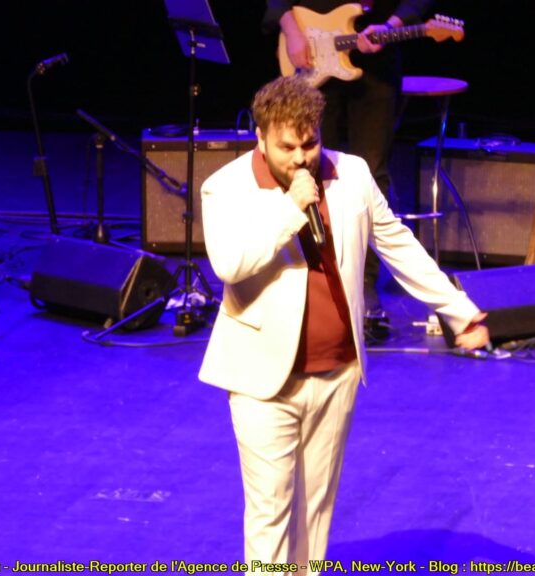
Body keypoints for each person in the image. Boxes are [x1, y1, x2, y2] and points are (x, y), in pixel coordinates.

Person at [199, 76, 488, 573]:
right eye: (287, 147)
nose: (301, 158)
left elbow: (397, 245)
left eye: (310, 143)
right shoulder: (225, 187)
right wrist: (290, 209)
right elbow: (230, 263)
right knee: (270, 511)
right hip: (262, 379)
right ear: (261, 138)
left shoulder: (351, 174)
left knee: (315, 512)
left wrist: (457, 308)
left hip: (336, 371)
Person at [265, 0, 435, 342]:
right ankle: (310, 274)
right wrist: (292, 31)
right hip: (309, 52)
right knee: (306, 168)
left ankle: (364, 283)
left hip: (376, 69)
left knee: (372, 175)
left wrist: (391, 25)